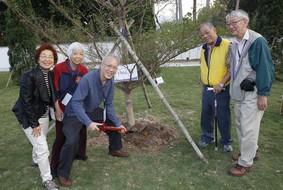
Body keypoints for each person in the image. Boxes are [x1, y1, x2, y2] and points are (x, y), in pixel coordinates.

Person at [57, 55, 129, 187]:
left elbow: (109, 105)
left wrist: (118, 124)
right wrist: (88, 122)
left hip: (91, 110)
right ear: (101, 65)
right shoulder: (87, 79)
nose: (111, 70)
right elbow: (76, 102)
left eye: (114, 67)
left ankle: (115, 148)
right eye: (108, 66)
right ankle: (62, 173)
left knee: (112, 122)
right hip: (74, 112)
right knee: (72, 140)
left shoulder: (110, 82)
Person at [225, 9, 274, 176]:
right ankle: (251, 151)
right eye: (228, 24)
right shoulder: (233, 43)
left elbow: (265, 68)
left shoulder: (257, 41)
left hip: (253, 92)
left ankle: (245, 162)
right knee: (240, 125)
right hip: (239, 92)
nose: (230, 26)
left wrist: (263, 94)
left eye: (234, 22)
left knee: (248, 128)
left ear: (245, 22)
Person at [12, 44, 59, 190]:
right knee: (43, 147)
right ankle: (47, 179)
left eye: (50, 57)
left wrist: (57, 109)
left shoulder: (50, 74)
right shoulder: (29, 75)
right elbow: (26, 102)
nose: (47, 59)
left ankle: (35, 160)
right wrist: (34, 124)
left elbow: (52, 94)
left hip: (43, 115)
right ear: (38, 59)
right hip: (29, 117)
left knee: (40, 142)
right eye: (43, 56)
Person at [50, 42, 88, 180]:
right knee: (60, 136)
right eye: (75, 53)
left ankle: (79, 154)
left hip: (78, 108)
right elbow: (53, 91)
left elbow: (86, 90)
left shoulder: (83, 70)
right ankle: (54, 165)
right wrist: (57, 109)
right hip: (62, 107)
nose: (78, 56)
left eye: (81, 54)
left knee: (81, 131)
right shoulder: (59, 69)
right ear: (70, 53)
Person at [198, 22, 233, 152]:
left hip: (222, 88)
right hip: (207, 87)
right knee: (206, 114)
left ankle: (226, 141)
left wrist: (221, 83)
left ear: (214, 30)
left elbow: (231, 69)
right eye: (202, 35)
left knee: (222, 115)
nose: (205, 36)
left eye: (207, 32)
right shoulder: (203, 48)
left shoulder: (227, 45)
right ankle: (207, 137)